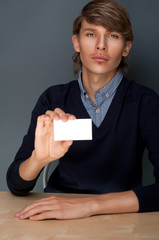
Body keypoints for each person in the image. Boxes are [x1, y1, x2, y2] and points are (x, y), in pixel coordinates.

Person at [6, 0, 159, 221]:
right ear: (76, 42)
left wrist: (89, 206)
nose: (101, 46)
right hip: (55, 216)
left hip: (119, 218)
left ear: (126, 47)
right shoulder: (53, 99)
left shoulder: (146, 103)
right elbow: (16, 184)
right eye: (90, 34)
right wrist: (39, 159)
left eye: (113, 35)